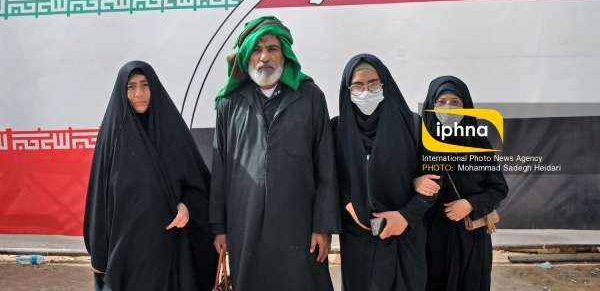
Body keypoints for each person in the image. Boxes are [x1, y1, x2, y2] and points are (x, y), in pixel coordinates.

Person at [209, 16, 340, 291]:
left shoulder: (310, 96)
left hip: (300, 226)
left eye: (272, 49)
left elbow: (326, 167)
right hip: (245, 226)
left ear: (285, 54)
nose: (264, 57)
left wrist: (323, 227)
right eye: (256, 50)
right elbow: (221, 169)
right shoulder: (229, 103)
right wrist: (219, 227)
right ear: (247, 56)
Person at [84, 61, 217, 291]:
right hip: (127, 258)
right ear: (122, 92)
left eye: (145, 85)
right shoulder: (111, 139)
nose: (139, 93)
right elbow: (99, 202)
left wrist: (187, 206)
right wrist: (100, 256)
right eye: (131, 87)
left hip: (173, 254)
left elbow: (200, 186)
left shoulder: (173, 132)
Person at [332, 54, 435, 291]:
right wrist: (347, 203)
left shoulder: (413, 125)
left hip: (405, 237)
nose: (365, 92)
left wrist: (405, 216)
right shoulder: (336, 130)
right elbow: (328, 179)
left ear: (384, 84)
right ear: (347, 90)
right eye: (357, 86)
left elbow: (434, 180)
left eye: (373, 84)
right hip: (359, 241)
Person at [414, 75, 508, 291]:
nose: (448, 107)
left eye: (455, 102)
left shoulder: (478, 143)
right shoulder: (419, 143)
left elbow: (499, 188)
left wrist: (470, 203)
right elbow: (400, 179)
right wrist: (415, 182)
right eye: (441, 102)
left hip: (471, 237)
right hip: (430, 238)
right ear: (431, 105)